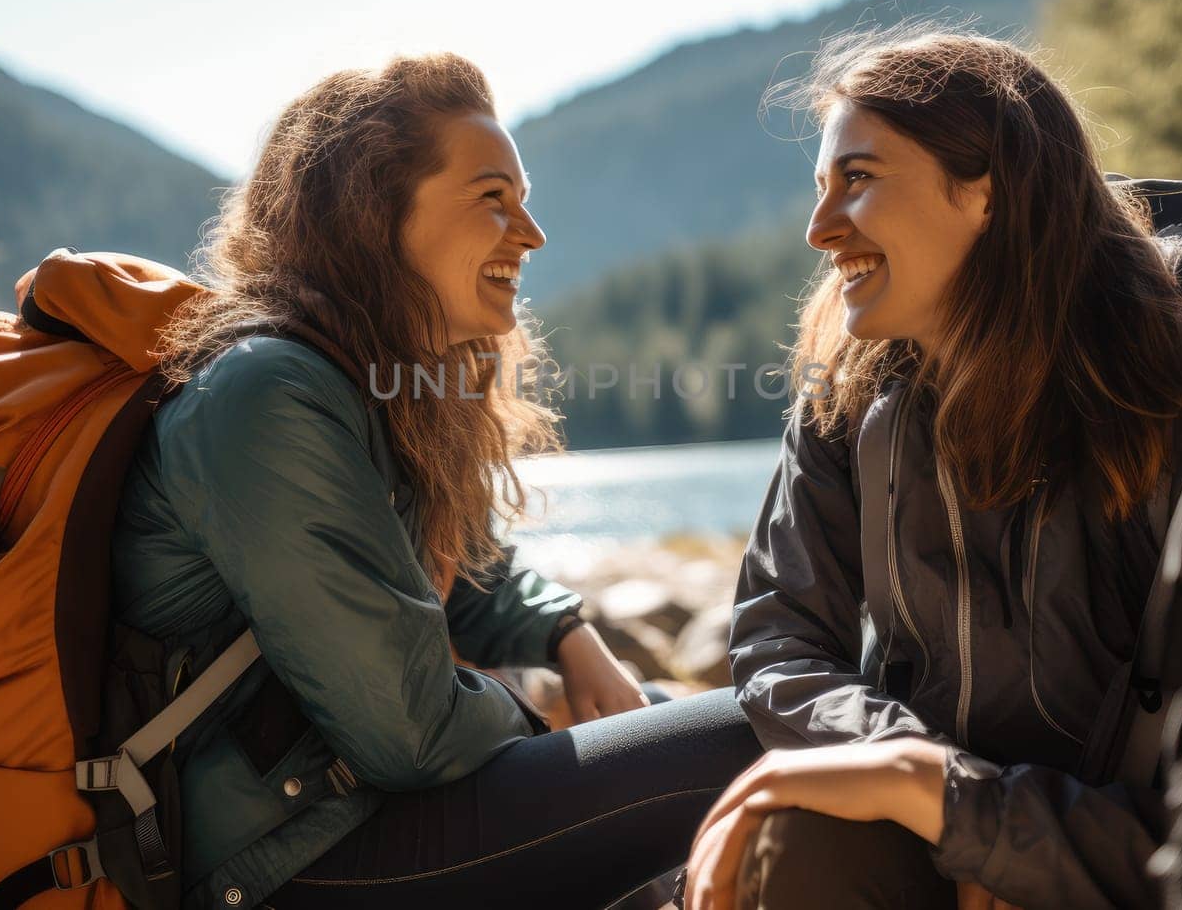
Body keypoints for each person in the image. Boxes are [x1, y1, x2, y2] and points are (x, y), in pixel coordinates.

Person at [111, 53, 760, 910]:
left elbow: (470, 566)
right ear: (375, 217)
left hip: (352, 815)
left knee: (659, 710)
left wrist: (570, 636)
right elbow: (411, 734)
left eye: (525, 200)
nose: (529, 233)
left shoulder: (374, 383)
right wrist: (533, 703)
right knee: (740, 737)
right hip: (273, 865)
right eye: (494, 198)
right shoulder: (266, 395)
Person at [684, 31, 1182, 910]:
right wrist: (933, 784)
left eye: (856, 180)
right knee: (792, 818)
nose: (819, 231)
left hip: (1141, 851)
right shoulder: (849, 383)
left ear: (987, 190)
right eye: (820, 188)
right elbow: (778, 633)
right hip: (937, 818)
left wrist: (995, 829)